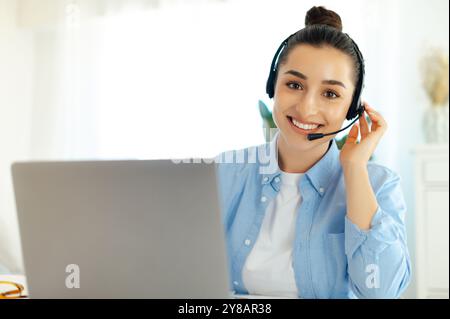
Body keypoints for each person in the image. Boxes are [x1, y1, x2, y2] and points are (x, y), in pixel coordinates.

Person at [214, 6, 411, 299]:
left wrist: (355, 169)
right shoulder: (224, 173)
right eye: (294, 85)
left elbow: (380, 293)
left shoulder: (379, 185)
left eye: (330, 94)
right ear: (273, 87)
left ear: (352, 108)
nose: (306, 108)